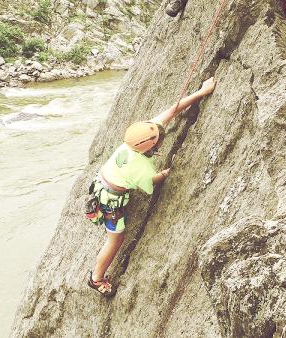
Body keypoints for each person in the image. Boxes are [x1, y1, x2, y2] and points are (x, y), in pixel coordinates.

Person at [87, 77, 217, 297]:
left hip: (101, 182)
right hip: (111, 201)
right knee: (116, 239)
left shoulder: (135, 139)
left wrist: (200, 93)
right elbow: (150, 183)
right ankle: (96, 278)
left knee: (114, 233)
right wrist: (165, 173)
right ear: (152, 146)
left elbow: (171, 111)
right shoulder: (142, 168)